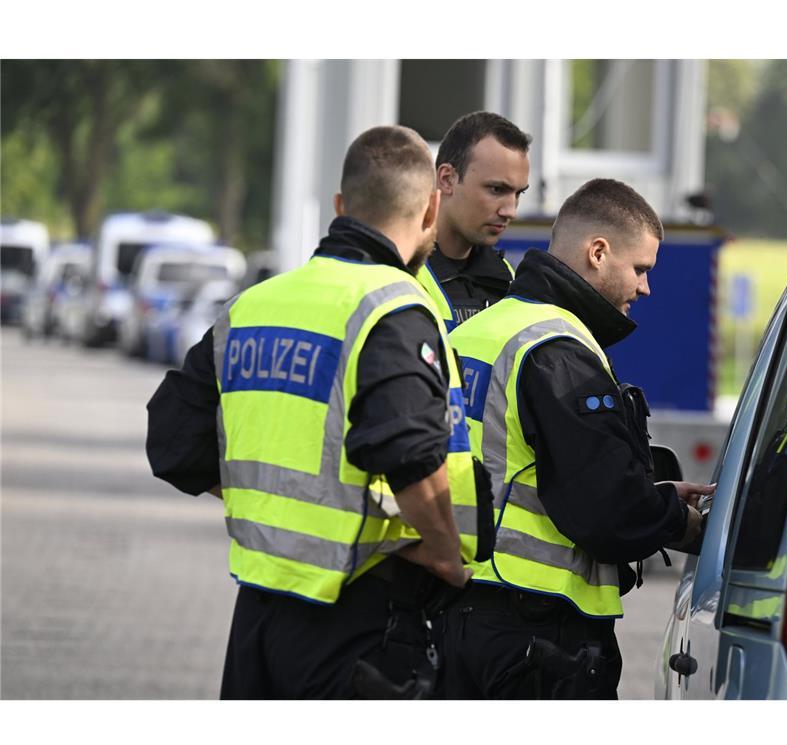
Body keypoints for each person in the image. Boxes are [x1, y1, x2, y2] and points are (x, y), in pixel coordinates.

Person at [145, 125, 486, 699]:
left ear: (340, 207)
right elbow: (408, 453)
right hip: (358, 617)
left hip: (257, 614)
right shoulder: (394, 308)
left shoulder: (254, 304)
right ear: (432, 208)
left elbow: (174, 441)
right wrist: (448, 557)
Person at [440, 178, 715, 699]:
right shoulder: (559, 351)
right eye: (640, 269)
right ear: (597, 252)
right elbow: (607, 509)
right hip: (538, 634)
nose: (645, 288)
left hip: (456, 615)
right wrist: (680, 520)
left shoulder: (477, 331)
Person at [416, 111, 531, 331]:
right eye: (496, 189)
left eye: (518, 194)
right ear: (447, 179)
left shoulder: (508, 279)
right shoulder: (396, 271)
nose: (510, 211)